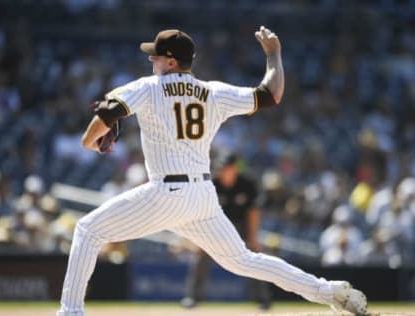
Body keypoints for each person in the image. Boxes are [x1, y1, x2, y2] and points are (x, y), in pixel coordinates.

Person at [57, 27, 368, 316]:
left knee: (88, 230)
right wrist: (274, 54)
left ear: (170, 61)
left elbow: (108, 112)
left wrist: (88, 141)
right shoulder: (213, 92)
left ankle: (70, 312)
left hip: (167, 192)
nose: (151, 60)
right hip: (203, 196)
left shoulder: (149, 87)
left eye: (155, 55)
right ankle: (331, 292)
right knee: (245, 260)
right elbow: (270, 94)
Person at [180, 152, 272, 310]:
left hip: (241, 227)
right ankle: (193, 297)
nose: (224, 171)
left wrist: (252, 238)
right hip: (215, 226)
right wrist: (200, 240)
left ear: (235, 168)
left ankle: (262, 298)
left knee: (254, 256)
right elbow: (200, 211)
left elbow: (253, 212)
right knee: (200, 256)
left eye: (228, 168)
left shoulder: (247, 184)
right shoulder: (211, 184)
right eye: (221, 168)